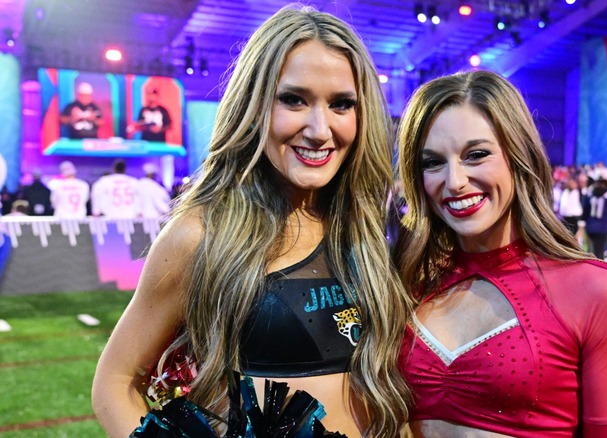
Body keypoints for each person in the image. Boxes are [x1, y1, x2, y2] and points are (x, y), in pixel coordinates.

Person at [92, 6, 411, 438]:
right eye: (294, 99)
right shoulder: (200, 235)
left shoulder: (371, 231)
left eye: (341, 104)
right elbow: (115, 382)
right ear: (254, 104)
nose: (320, 129)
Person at [395, 70, 607, 438]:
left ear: (518, 154)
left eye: (476, 155)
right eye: (432, 162)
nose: (454, 181)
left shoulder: (598, 289)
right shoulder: (407, 283)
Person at [582, 176, 607, 259]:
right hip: (603, 226)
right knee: (599, 250)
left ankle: (591, 266)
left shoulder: (589, 194)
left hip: (591, 226)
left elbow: (585, 211)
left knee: (591, 249)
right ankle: (597, 268)